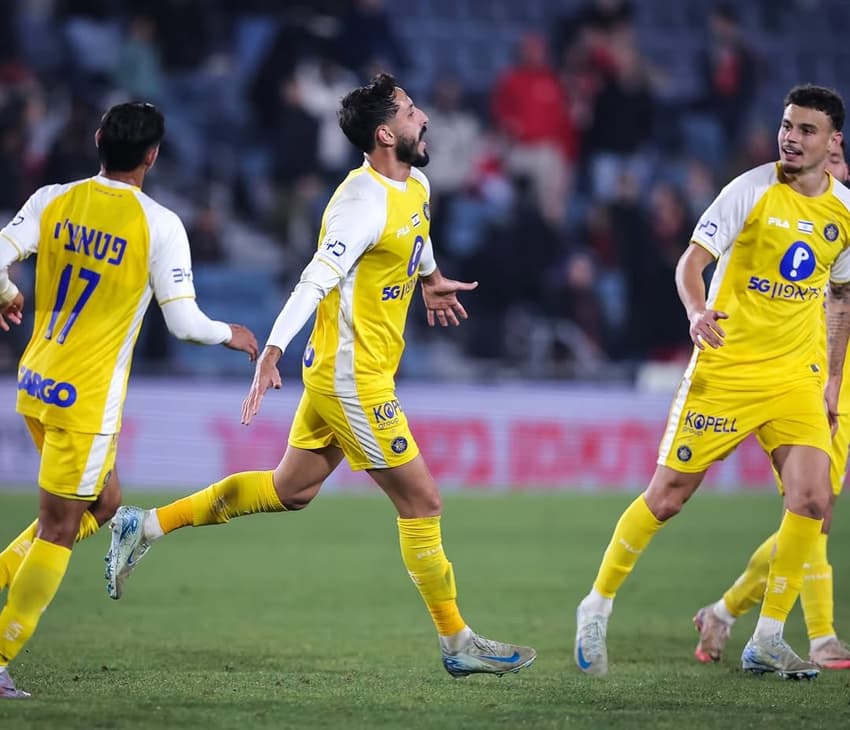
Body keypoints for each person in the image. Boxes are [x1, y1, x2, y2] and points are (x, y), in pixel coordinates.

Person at [105, 74, 537, 679]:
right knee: (423, 501)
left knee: (291, 491)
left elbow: (415, 236)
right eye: (413, 113)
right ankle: (456, 642)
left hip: (351, 372)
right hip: (351, 378)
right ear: (386, 133)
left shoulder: (416, 185)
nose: (426, 119)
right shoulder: (359, 206)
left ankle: (142, 525)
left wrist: (431, 279)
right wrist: (272, 349)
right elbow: (315, 279)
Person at [573, 84, 850, 680]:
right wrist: (697, 312)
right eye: (786, 125)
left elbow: (842, 298)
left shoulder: (844, 212)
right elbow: (691, 261)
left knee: (813, 499)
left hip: (795, 378)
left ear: (833, 144)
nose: (791, 138)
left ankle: (769, 637)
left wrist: (830, 377)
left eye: (806, 130)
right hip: (726, 370)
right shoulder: (748, 190)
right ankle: (596, 604)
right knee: (668, 497)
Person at [0, 102, 259, 699]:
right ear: (153, 156)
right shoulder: (159, 224)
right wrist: (233, 334)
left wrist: (7, 292)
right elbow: (186, 325)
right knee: (60, 529)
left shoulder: (52, 199)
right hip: (85, 401)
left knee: (106, 502)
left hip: (36, 382)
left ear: (98, 141)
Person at [692, 136, 850, 670]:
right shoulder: (798, 215)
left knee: (814, 510)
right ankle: (821, 635)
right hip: (815, 377)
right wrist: (828, 377)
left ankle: (723, 610)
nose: (828, 168)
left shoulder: (841, 217)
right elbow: (831, 300)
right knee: (814, 508)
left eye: (835, 158)